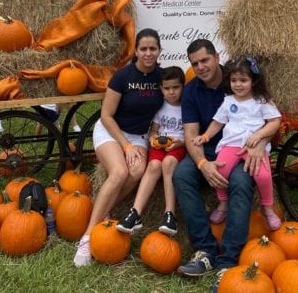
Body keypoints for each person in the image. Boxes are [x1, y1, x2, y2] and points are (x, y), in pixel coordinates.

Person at [172, 40, 268, 289]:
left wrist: (260, 142)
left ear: (216, 57)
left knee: (240, 180)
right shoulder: (192, 91)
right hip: (208, 149)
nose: (200, 67)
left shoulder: (238, 78)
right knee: (181, 175)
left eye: (204, 60)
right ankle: (205, 251)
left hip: (241, 148)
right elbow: (191, 133)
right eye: (195, 63)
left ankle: (227, 261)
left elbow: (268, 116)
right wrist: (203, 163)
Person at [73, 28, 164, 267]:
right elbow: (106, 116)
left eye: (152, 48)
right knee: (120, 172)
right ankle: (87, 236)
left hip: (139, 136)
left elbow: (166, 110)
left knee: (136, 172)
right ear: (135, 50)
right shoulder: (123, 76)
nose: (148, 53)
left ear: (159, 50)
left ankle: (104, 212)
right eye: (143, 48)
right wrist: (125, 146)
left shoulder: (162, 78)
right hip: (112, 132)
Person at [193, 56, 281, 230]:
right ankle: (223, 204)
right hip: (231, 144)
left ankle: (268, 208)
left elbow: (275, 121)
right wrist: (205, 136)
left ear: (253, 81)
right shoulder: (228, 101)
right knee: (219, 171)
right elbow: (218, 122)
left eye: (243, 80)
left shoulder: (261, 101)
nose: (238, 84)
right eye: (234, 80)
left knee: (262, 175)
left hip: (254, 146)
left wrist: (259, 135)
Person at [116, 65, 186, 236]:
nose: (171, 92)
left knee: (168, 163)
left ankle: (170, 214)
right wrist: (153, 139)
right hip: (160, 146)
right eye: (167, 88)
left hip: (178, 147)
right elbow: (153, 131)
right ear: (161, 88)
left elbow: (191, 134)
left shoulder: (187, 106)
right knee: (154, 165)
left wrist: (180, 143)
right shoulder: (160, 106)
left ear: (183, 86)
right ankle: (135, 213)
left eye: (175, 87)